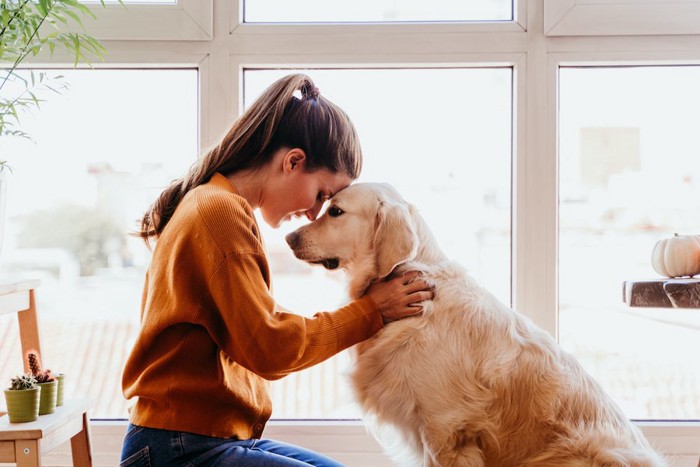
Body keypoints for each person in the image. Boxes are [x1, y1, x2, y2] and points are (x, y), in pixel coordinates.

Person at [120, 73, 432, 467]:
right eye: (321, 194)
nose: (314, 213)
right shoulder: (218, 212)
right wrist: (372, 311)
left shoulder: (217, 204)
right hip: (177, 448)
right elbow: (271, 347)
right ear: (293, 161)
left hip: (204, 438)